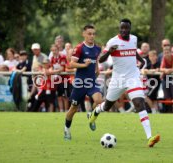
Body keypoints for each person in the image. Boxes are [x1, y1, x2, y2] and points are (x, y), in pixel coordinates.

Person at [89, 18, 160, 147]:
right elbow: (101, 60)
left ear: (130, 29)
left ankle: (150, 137)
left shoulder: (134, 39)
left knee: (139, 103)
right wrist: (110, 51)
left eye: (126, 28)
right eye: (122, 28)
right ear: (119, 28)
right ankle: (95, 112)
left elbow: (132, 52)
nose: (124, 30)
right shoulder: (112, 41)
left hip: (133, 77)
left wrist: (141, 60)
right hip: (117, 79)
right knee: (107, 106)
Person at [64, 25, 102, 140]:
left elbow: (95, 61)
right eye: (89, 34)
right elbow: (71, 64)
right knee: (73, 109)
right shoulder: (79, 48)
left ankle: (91, 115)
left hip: (91, 81)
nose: (92, 36)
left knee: (99, 101)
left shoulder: (97, 48)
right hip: (80, 83)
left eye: (93, 34)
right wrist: (84, 65)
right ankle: (67, 129)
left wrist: (97, 69)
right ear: (84, 34)